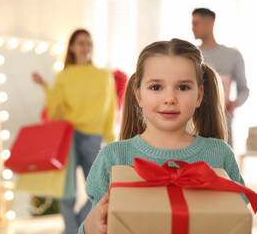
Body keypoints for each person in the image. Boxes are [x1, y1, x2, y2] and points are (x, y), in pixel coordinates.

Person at [79, 38, 246, 234]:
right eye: (156, 87)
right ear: (139, 95)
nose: (170, 99)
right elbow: (99, 224)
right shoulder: (112, 158)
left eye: (183, 87)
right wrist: (88, 228)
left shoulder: (219, 155)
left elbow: (237, 220)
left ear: (199, 95)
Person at [32, 29, 117, 234]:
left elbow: (110, 107)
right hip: (68, 136)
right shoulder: (64, 76)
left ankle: (76, 228)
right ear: (71, 47)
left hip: (93, 137)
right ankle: (73, 230)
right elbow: (55, 111)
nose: (86, 47)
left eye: (89, 43)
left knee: (99, 189)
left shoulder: (103, 76)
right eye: (81, 43)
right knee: (67, 191)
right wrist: (45, 87)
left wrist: (110, 138)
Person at [192, 8, 250, 147]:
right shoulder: (191, 55)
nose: (192, 28)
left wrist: (234, 104)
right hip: (192, 123)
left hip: (223, 125)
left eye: (196, 23)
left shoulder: (232, 55)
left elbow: (244, 90)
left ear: (210, 23)